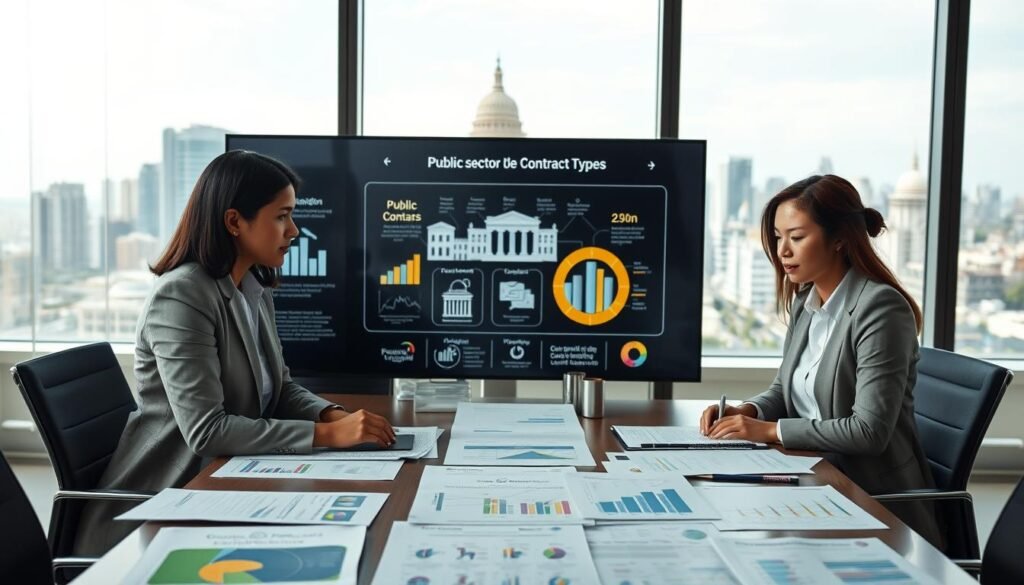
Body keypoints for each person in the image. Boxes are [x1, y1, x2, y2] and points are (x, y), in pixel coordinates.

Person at [75, 150, 395, 555]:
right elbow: (207, 431)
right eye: (281, 216)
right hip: (162, 505)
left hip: (225, 481)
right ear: (234, 222)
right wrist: (326, 435)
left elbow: (279, 389)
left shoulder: (253, 288)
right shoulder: (182, 295)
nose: (294, 230)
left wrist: (330, 415)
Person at [698, 174, 942, 547]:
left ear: (840, 238)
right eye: (778, 237)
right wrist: (748, 411)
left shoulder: (880, 308)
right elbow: (785, 390)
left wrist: (769, 431)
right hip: (813, 482)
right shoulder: (806, 302)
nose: (782, 251)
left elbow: (868, 432)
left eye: (796, 237)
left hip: (871, 502)